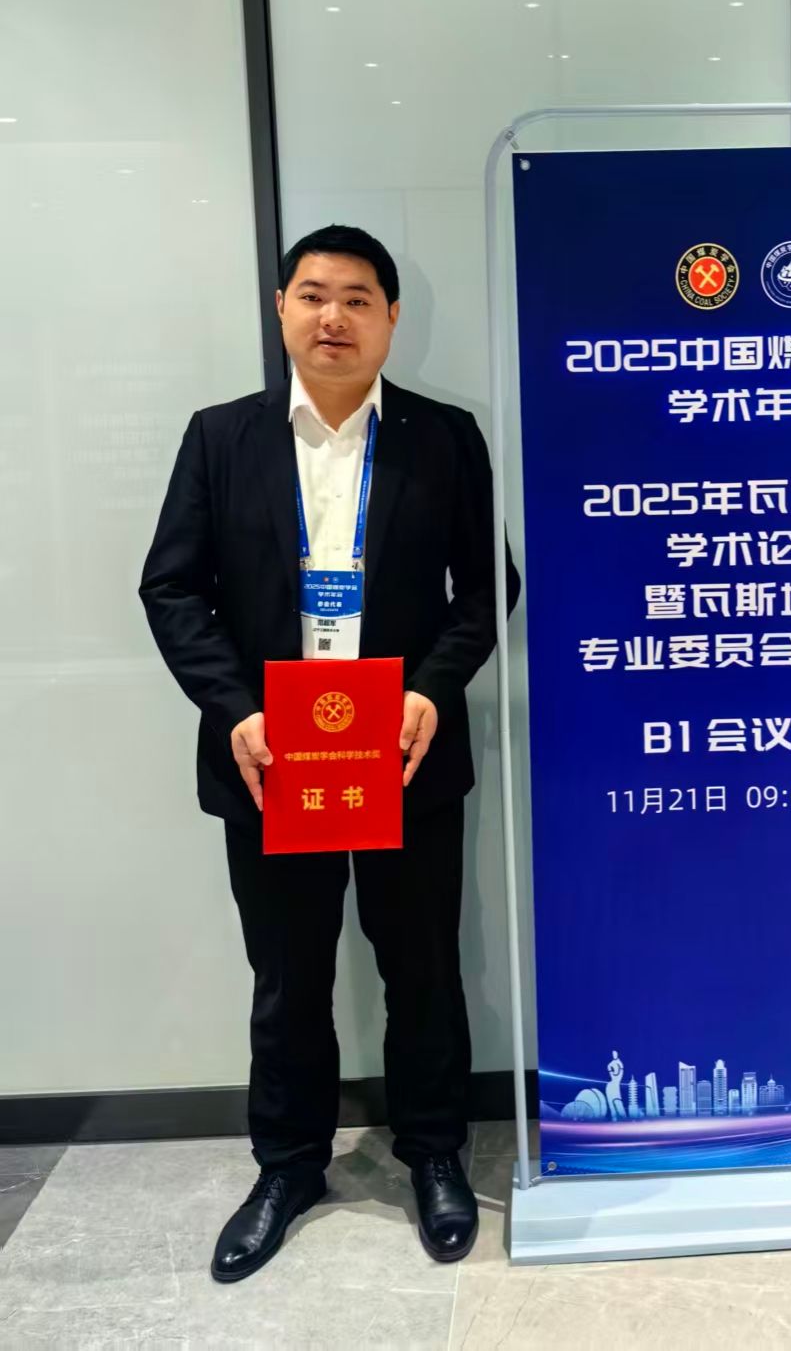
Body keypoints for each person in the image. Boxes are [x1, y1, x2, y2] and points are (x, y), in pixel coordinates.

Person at [140, 225, 517, 1281]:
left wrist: (430, 690)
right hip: (272, 758)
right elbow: (172, 587)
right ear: (282, 309)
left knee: (423, 968)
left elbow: (488, 589)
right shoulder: (222, 437)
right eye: (313, 294)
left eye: (357, 297)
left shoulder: (444, 438)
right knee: (288, 975)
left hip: (400, 752)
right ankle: (288, 1166)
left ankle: (433, 1153)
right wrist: (234, 709)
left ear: (391, 316)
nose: (334, 316)